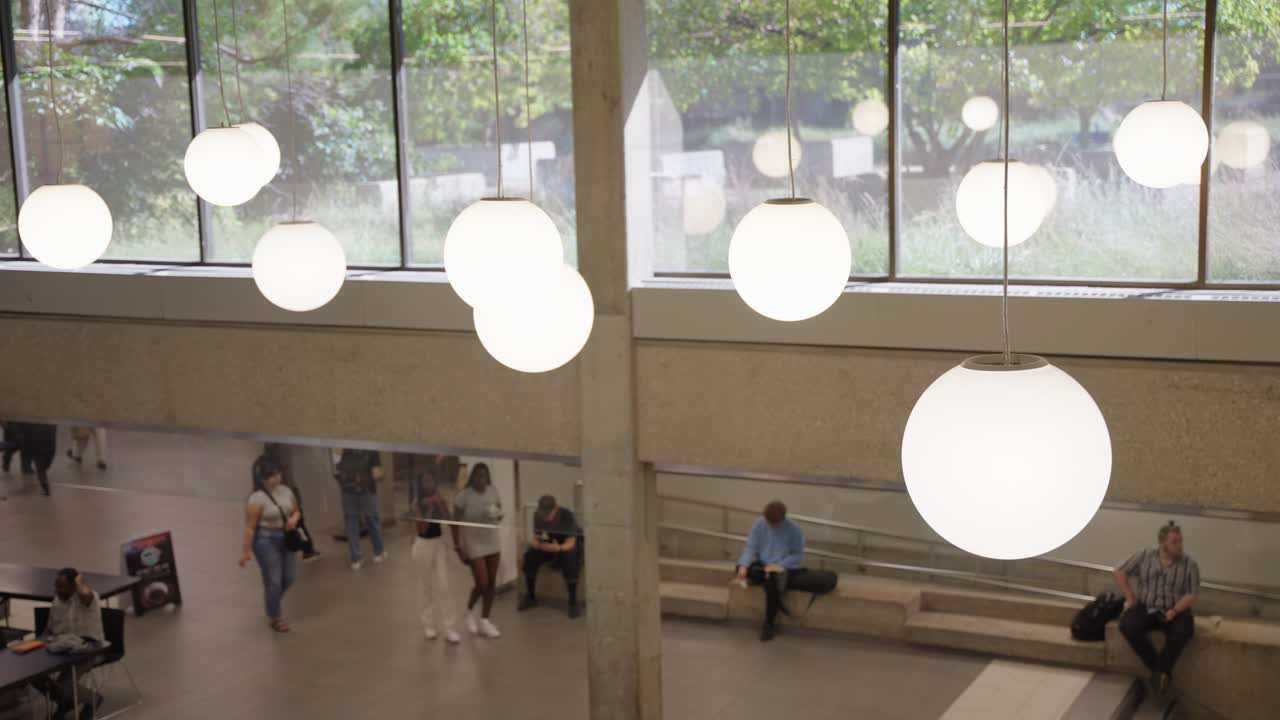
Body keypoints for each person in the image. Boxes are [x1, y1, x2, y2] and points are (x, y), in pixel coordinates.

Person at [1114, 521, 1200, 698]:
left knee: (1184, 631)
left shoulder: (1189, 564)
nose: (1179, 546)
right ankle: (1159, 671)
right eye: (1175, 542)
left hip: (1175, 610)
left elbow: (1192, 594)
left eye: (1180, 541)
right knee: (1127, 625)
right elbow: (1119, 571)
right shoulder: (1145, 555)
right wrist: (1130, 597)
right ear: (1163, 544)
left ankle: (1158, 673)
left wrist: (1175, 610)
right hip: (1147, 607)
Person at [239, 455, 302, 633]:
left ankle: (272, 601)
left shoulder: (286, 491)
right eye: (273, 475)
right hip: (266, 540)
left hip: (287, 536)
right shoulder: (256, 499)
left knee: (289, 577)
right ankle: (275, 617)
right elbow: (250, 527)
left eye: (278, 474)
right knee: (273, 580)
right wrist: (245, 551)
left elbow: (297, 511)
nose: (277, 478)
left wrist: (293, 520)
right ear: (263, 478)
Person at [735, 500, 806, 642]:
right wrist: (743, 565)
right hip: (763, 564)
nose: (771, 525)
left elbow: (798, 555)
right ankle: (764, 578)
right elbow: (751, 547)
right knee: (740, 568)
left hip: (782, 567)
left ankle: (769, 623)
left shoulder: (795, 530)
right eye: (769, 522)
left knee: (772, 581)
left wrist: (778, 565)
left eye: (774, 523)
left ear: (783, 519)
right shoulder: (759, 524)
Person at [40, 568, 105, 720]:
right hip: (62, 650)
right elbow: (49, 628)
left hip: (89, 650)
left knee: (64, 683)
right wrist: (39, 643)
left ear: (73, 587)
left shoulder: (89, 598)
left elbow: (84, 593)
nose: (56, 590)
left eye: (61, 586)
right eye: (55, 586)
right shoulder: (57, 601)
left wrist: (79, 580)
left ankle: (93, 699)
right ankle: (67, 700)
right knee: (36, 678)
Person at [451, 463, 503, 639]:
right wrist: (458, 547)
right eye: (478, 476)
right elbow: (455, 522)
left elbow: (498, 509)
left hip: (492, 540)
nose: (481, 479)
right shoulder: (463, 497)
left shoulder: (492, 490)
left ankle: (485, 621)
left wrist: (498, 515)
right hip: (473, 543)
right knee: (482, 583)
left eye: (484, 476)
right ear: (472, 477)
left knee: (491, 584)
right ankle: (469, 610)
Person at [412, 474, 459, 643]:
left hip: (438, 544)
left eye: (431, 480)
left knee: (444, 585)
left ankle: (450, 628)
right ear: (421, 485)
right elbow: (421, 529)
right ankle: (429, 625)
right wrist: (430, 510)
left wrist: (441, 505)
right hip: (423, 546)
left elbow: (450, 520)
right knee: (426, 586)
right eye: (425, 482)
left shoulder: (440, 498)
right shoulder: (417, 503)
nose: (429, 484)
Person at [518, 494, 582, 618]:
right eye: (543, 514)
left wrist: (558, 548)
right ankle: (530, 596)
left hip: (570, 543)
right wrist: (536, 543)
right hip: (553, 542)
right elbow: (538, 536)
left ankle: (573, 602)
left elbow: (571, 542)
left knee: (570, 557)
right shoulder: (538, 515)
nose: (545, 517)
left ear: (555, 509)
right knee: (530, 556)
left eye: (548, 514)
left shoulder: (566, 515)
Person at [264, 443, 319, 562]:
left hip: (275, 495)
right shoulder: (282, 449)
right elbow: (286, 473)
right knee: (299, 523)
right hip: (286, 495)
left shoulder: (268, 450)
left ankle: (288, 549)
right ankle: (307, 550)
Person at [333, 449, 387, 570]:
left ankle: (356, 559)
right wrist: (382, 475)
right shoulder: (371, 448)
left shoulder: (344, 447)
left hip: (347, 490)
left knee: (351, 523)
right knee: (372, 520)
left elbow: (337, 469)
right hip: (367, 489)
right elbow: (376, 473)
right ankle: (378, 553)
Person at [21, 423, 57, 496]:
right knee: (41, 468)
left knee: (44, 466)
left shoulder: (51, 424)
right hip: (39, 447)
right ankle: (44, 486)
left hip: (47, 447)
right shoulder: (33, 423)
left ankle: (44, 484)